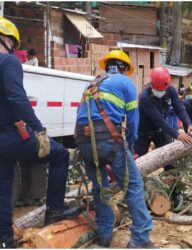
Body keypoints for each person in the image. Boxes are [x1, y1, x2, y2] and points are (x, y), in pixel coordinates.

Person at [0, 17, 82, 248]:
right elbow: (16, 97)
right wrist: (38, 129)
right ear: (7, 39)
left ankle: (5, 238)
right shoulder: (8, 62)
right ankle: (55, 211)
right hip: (8, 135)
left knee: (3, 186)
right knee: (60, 155)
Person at [75, 50, 154, 248]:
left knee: (100, 188)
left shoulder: (92, 83)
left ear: (107, 65)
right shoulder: (125, 82)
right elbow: (133, 119)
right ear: (125, 68)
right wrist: (130, 143)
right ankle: (140, 238)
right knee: (133, 186)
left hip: (84, 142)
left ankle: (104, 234)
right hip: (110, 140)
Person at [134, 67, 192, 203]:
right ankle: (138, 196)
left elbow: (179, 108)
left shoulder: (170, 90)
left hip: (160, 130)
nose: (160, 93)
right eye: (158, 90)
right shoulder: (145, 97)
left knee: (170, 161)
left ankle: (175, 193)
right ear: (152, 85)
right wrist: (177, 134)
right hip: (143, 131)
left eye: (162, 90)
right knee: (138, 163)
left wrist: (188, 124)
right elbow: (158, 119)